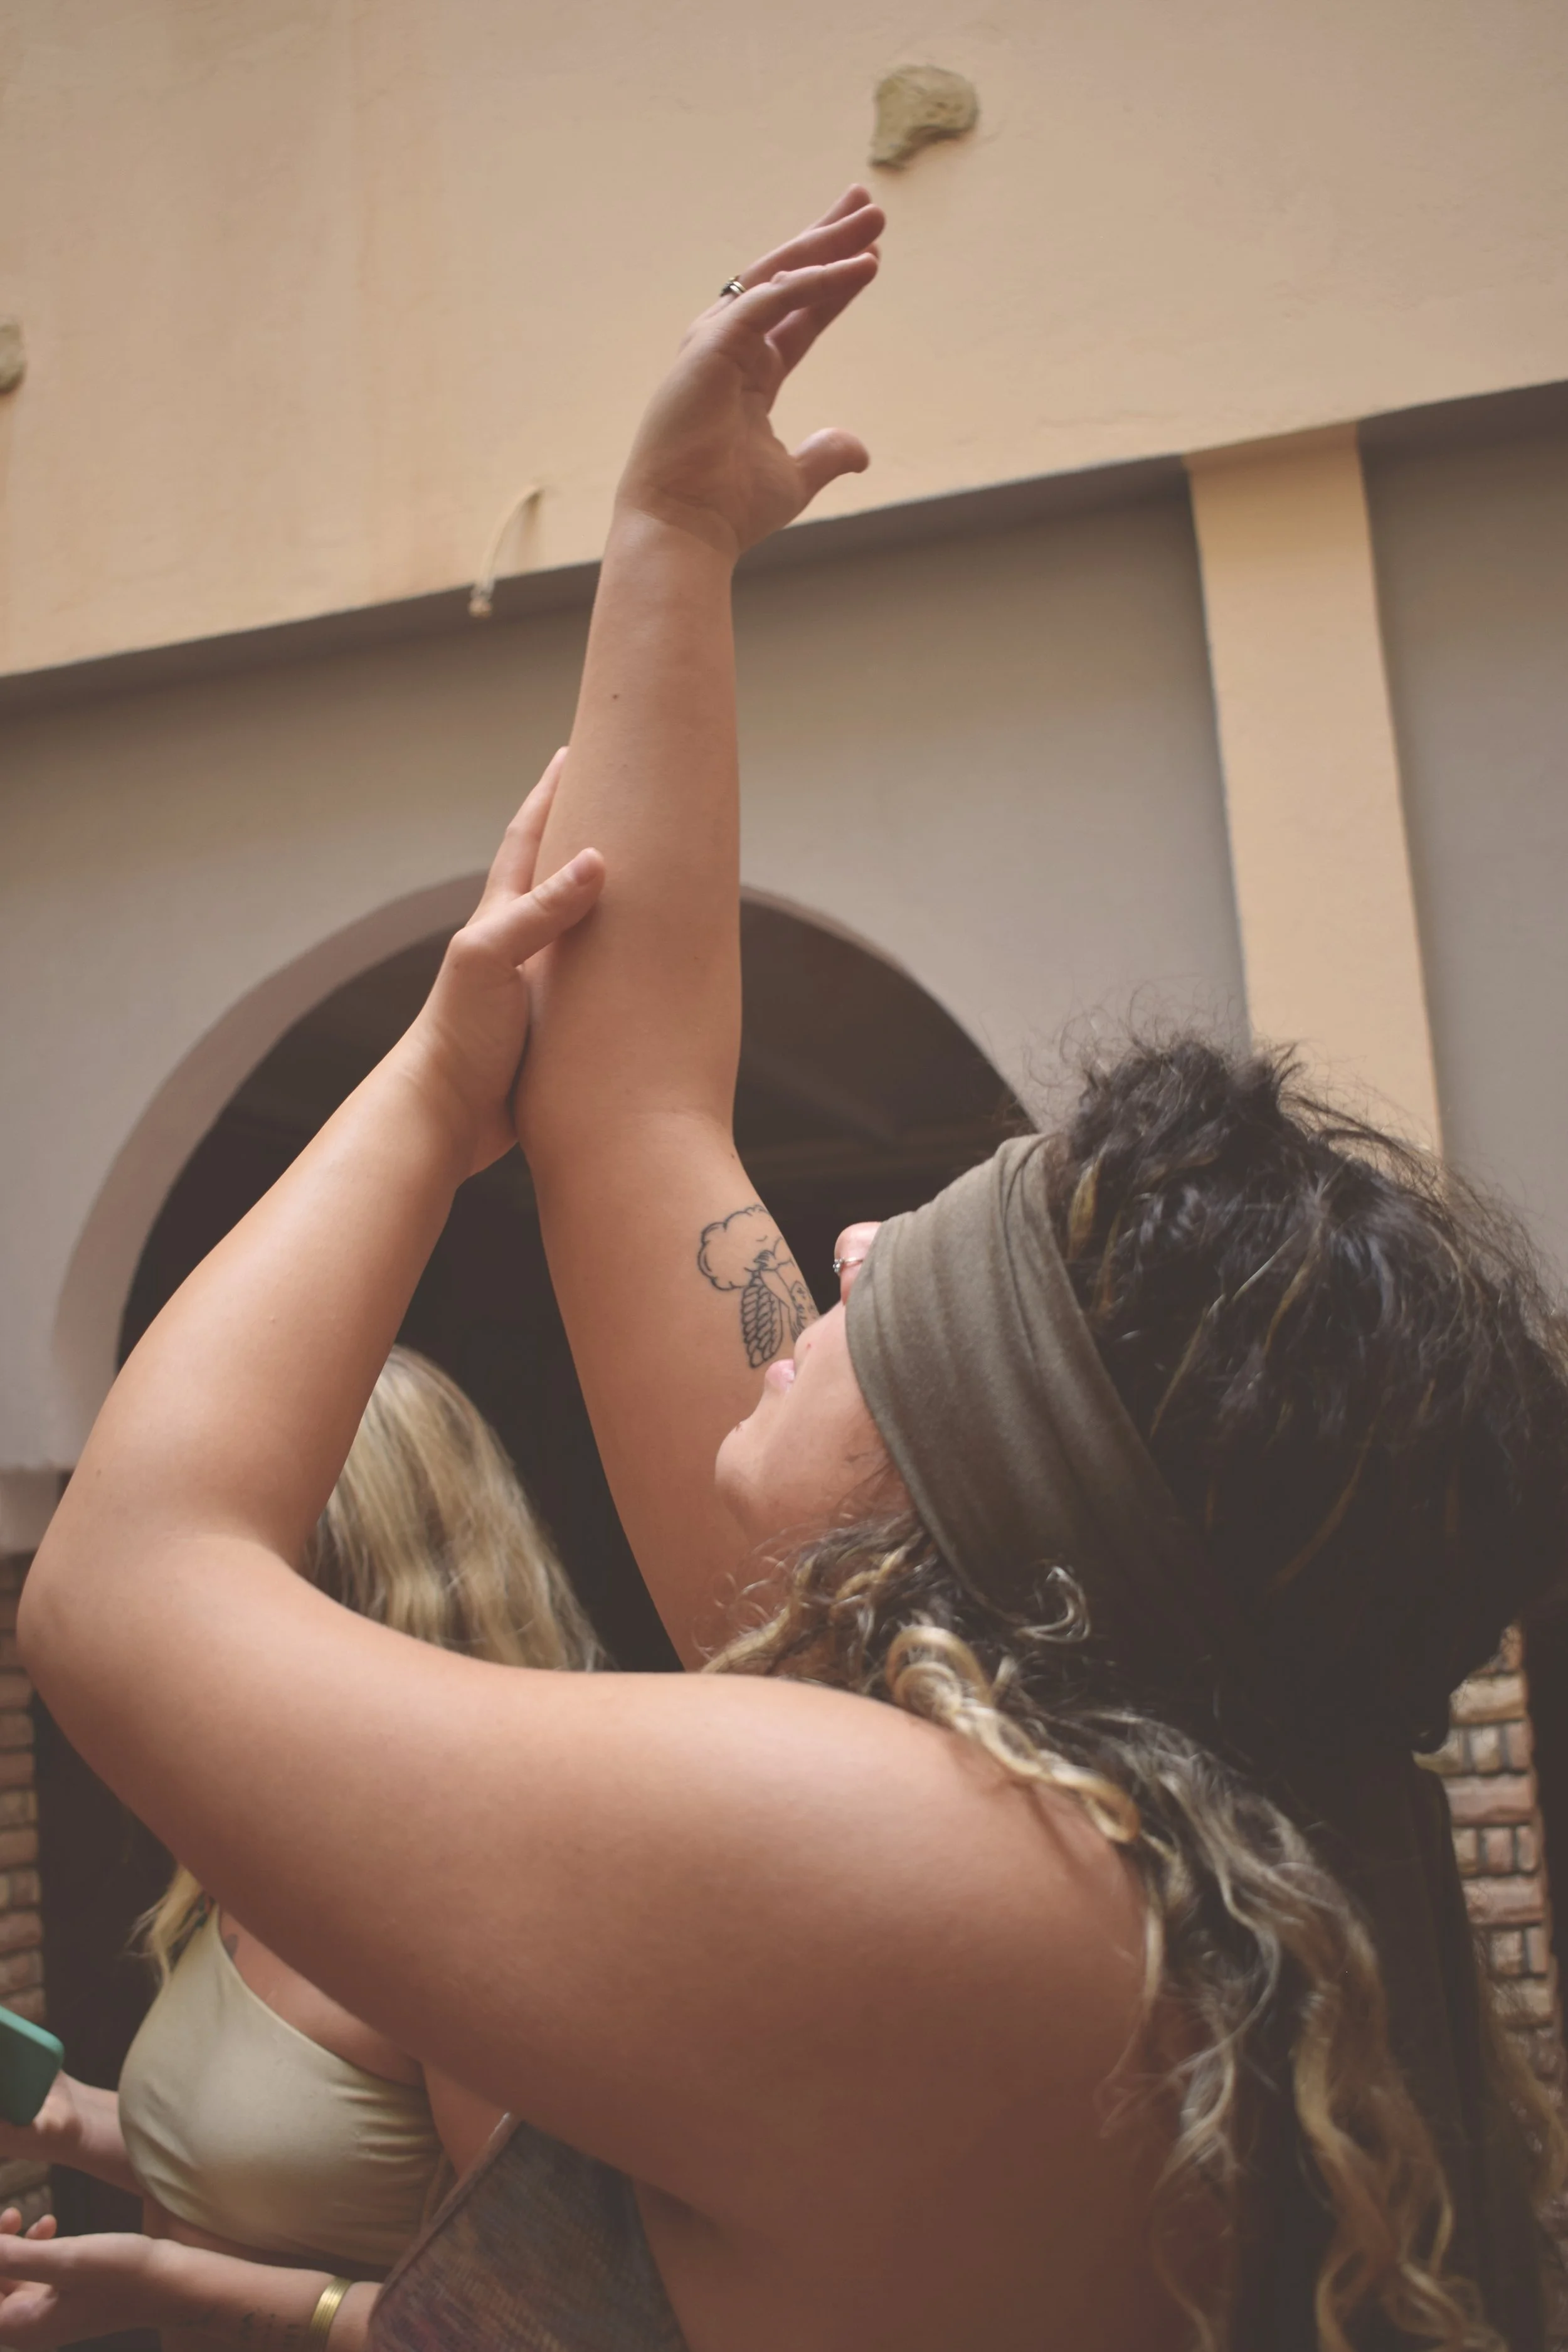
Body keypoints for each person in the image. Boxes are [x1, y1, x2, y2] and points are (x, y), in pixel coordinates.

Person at [4, 188, 1564, 2352]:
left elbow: (125, 1592)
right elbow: (631, 1102)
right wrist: (672, 542)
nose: (839, 1241)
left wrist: (425, 1090)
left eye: (919, 1279)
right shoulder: (1061, 1812)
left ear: (1006, 1472)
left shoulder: (923, 1874)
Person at [0, 1348, 596, 2350]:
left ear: (342, 1577)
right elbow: (293, 2174)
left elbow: (531, 2324)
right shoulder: (259, 1842)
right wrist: (67, 2118)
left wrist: (170, 2285)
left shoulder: (472, 1902)